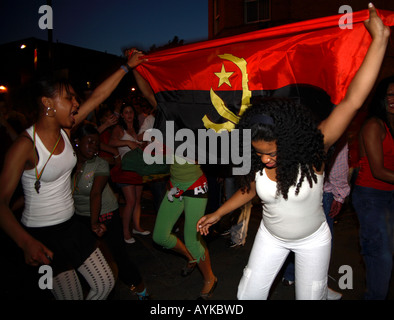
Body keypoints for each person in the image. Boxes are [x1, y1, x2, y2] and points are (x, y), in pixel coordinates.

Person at [197, 4, 389, 300]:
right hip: (271, 237)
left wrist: (380, 40)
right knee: (247, 295)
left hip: (312, 241)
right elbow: (250, 190)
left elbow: (352, 101)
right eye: (258, 154)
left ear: (290, 140)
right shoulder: (259, 159)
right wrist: (217, 213)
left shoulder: (313, 150)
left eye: (271, 153)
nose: (264, 160)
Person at [0, 50, 147, 299]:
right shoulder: (25, 146)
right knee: (73, 296)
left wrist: (127, 67)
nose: (77, 103)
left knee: (104, 283)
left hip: (71, 227)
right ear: (47, 102)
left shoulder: (66, 131)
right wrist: (25, 242)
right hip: (41, 234)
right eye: (69, 98)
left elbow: (101, 94)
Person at [131, 64, 218, 299]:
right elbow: (149, 93)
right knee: (159, 236)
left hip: (195, 187)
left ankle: (210, 277)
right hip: (175, 187)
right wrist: (135, 68)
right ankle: (190, 257)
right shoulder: (168, 114)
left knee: (192, 237)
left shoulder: (200, 119)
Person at [72, 124, 150, 300]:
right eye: (89, 142)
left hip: (105, 214)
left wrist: (94, 222)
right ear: (76, 142)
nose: (94, 147)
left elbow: (95, 194)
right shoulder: (67, 164)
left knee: (119, 256)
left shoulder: (100, 164)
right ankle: (102, 290)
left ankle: (141, 290)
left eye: (97, 143)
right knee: (85, 261)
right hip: (79, 217)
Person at [282, 139, 350, 300]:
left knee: (294, 233)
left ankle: (291, 275)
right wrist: (340, 195)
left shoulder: (298, 124)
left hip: (293, 190)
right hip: (319, 192)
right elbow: (338, 164)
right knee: (320, 241)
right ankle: (318, 287)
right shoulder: (333, 129)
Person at [352, 75, 394, 300]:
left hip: (390, 193)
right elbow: (378, 170)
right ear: (381, 98)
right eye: (390, 94)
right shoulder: (373, 126)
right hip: (371, 195)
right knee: (380, 254)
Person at [109, 103, 149, 243]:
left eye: (131, 112)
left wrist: (143, 144)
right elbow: (111, 142)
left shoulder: (137, 128)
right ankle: (125, 232)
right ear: (121, 115)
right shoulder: (119, 129)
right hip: (126, 168)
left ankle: (136, 226)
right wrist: (127, 142)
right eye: (126, 112)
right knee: (130, 201)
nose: (129, 115)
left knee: (137, 200)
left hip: (138, 166)